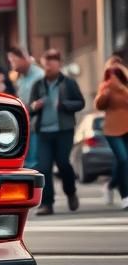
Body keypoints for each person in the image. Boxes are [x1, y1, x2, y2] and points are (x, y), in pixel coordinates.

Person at [29, 49, 84, 215]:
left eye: (52, 63)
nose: (48, 67)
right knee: (44, 167)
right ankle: (47, 204)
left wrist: (65, 105)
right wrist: (34, 106)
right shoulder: (38, 85)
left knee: (62, 163)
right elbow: (30, 107)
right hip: (43, 132)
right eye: (46, 64)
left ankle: (70, 191)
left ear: (59, 64)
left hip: (64, 130)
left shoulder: (69, 83)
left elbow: (80, 103)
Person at [95, 54, 128, 210]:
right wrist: (106, 94)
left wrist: (121, 88)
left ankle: (110, 184)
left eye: (117, 70)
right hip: (112, 130)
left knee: (124, 162)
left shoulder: (125, 87)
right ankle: (125, 196)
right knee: (123, 159)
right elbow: (99, 105)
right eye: (111, 71)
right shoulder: (105, 87)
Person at [7, 44, 45, 168]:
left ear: (24, 58)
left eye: (14, 60)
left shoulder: (39, 76)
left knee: (34, 164)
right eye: (10, 61)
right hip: (25, 126)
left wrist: (35, 106)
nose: (12, 64)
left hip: (37, 127)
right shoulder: (20, 79)